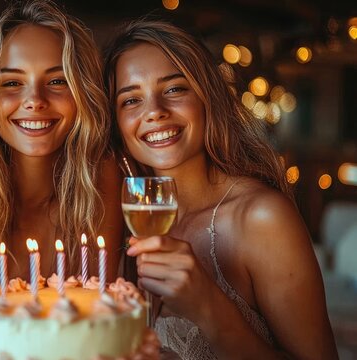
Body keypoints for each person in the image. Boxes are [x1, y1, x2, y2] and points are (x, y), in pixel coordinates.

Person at [103, 19, 338, 359]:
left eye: (174, 89)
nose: (154, 111)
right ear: (116, 123)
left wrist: (208, 306)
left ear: (206, 97)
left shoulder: (261, 217)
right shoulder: (122, 222)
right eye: (130, 100)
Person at [0, 0, 125, 340]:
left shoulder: (102, 180)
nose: (35, 100)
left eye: (58, 81)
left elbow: (96, 329)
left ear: (82, 93)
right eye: (12, 83)